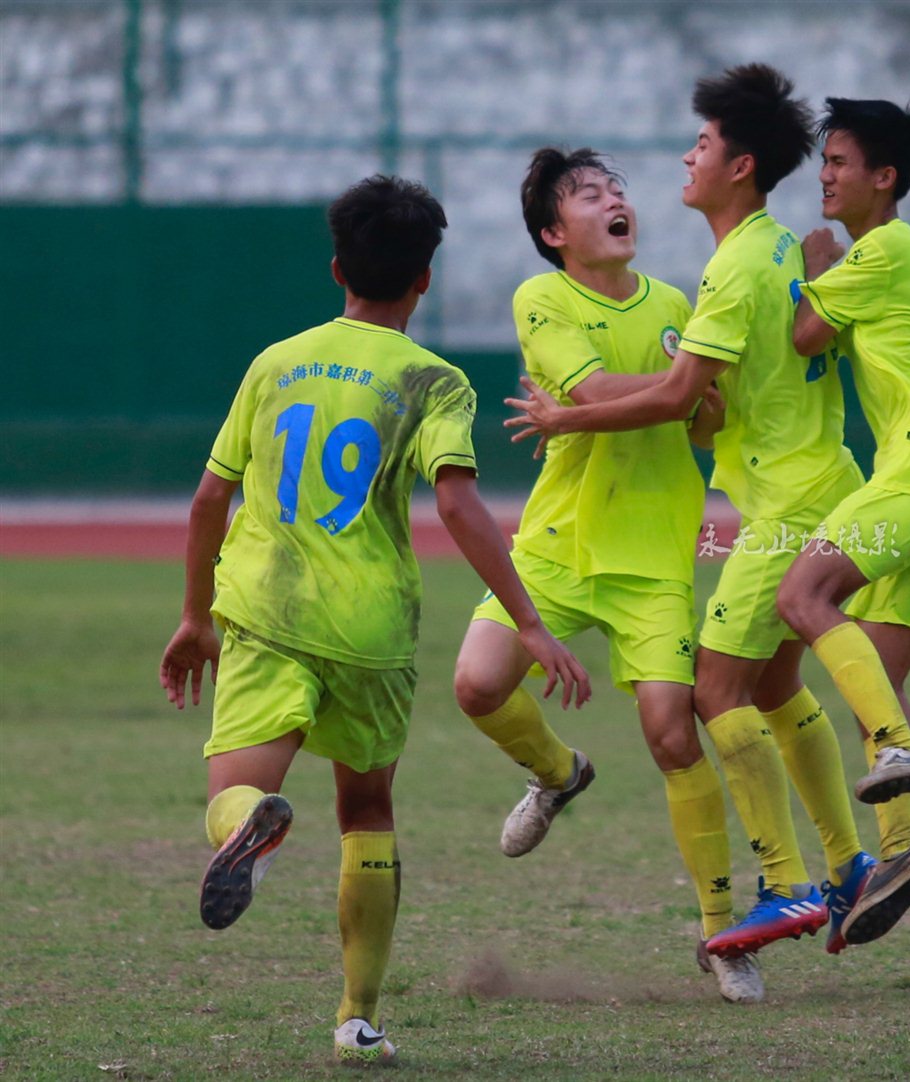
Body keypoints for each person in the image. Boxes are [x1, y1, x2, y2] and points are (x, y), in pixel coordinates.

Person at [157, 176, 590, 1063]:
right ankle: (358, 1019)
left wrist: (196, 615)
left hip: (267, 609)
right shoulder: (436, 380)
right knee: (367, 809)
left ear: (335, 268)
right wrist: (530, 622)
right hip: (373, 628)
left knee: (229, 792)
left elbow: (210, 497)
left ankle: (252, 822)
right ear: (424, 280)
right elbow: (462, 508)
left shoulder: (276, 362)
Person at [506, 65, 910, 961]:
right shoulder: (777, 246)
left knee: (716, 692)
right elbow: (746, 378)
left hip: (785, 503)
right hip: (823, 477)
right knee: (773, 686)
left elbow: (678, 397)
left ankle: (785, 881)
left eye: (700, 145)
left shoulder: (732, 270)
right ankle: (852, 865)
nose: (685, 161)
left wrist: (563, 415)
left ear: (738, 166)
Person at [449, 146, 761, 1003]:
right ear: (555, 232)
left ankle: (723, 933)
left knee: (672, 735)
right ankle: (559, 772)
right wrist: (684, 383)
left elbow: (703, 421)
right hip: (557, 544)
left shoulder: (674, 302)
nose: (614, 201)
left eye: (617, 190)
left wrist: (696, 396)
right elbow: (591, 394)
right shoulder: (541, 297)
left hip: (655, 555)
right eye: (589, 195)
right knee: (475, 687)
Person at [779, 97, 910, 947]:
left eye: (838, 162)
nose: (823, 175)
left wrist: (813, 268)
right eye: (822, 162)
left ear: (884, 178)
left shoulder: (886, 247)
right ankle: (901, 849)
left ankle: (901, 749)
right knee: (876, 680)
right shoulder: (898, 254)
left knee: (802, 599)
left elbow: (801, 335)